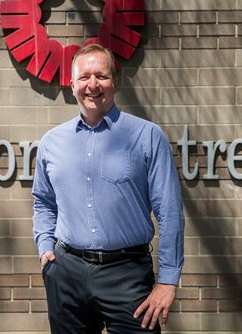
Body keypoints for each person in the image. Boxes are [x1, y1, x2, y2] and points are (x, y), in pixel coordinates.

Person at [32, 44, 184, 334]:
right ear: (72, 83)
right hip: (66, 274)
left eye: (101, 76)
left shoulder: (147, 136)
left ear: (115, 81)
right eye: (85, 77)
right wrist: (45, 250)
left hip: (127, 275)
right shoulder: (52, 142)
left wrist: (168, 281)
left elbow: (170, 213)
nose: (93, 85)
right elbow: (43, 202)